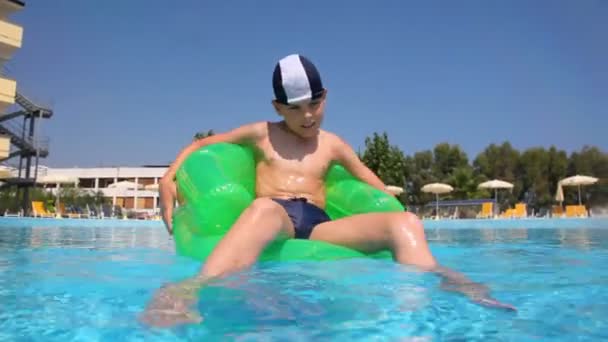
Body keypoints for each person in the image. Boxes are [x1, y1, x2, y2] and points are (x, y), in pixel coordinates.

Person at [141, 54, 515, 327]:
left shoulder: (333, 144)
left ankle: (434, 292)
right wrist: (168, 176)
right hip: (276, 215)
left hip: (319, 223)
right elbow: (203, 145)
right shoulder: (262, 134)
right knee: (262, 210)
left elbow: (369, 178)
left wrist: (390, 204)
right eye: (297, 108)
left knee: (406, 223)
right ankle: (190, 290)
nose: (308, 116)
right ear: (278, 107)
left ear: (326, 97)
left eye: (316, 104)